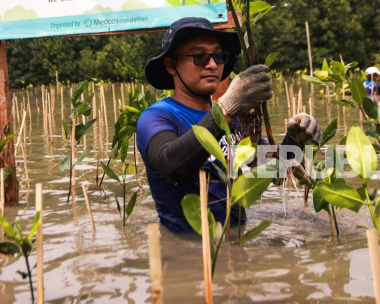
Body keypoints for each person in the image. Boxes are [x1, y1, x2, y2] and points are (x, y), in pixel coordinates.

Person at [137, 17, 322, 233]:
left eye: (218, 56)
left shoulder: (234, 122)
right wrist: (226, 108)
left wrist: (296, 139)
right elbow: (170, 164)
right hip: (190, 250)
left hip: (236, 243)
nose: (213, 64)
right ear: (171, 65)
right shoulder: (157, 117)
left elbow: (275, 173)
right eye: (200, 56)